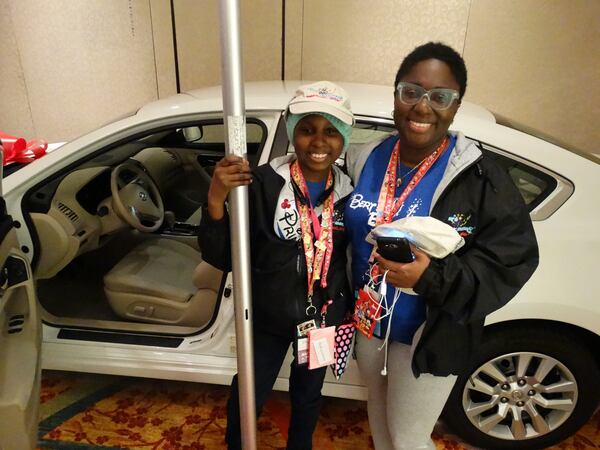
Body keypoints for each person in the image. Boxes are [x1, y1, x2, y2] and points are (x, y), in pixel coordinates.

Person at [344, 42, 539, 449]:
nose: (422, 107)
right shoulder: (366, 157)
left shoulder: (480, 176)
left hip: (428, 336)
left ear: (456, 105)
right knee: (380, 428)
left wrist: (430, 276)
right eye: (411, 92)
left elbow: (510, 261)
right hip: (370, 325)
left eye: (440, 97)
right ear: (396, 95)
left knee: (409, 439)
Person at [198, 81, 355, 450]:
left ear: (345, 137)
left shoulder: (351, 193)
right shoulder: (261, 184)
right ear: (290, 130)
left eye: (331, 131)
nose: (319, 142)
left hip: (321, 320)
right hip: (265, 318)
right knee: (249, 392)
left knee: (309, 395)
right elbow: (221, 256)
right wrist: (216, 198)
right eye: (307, 129)